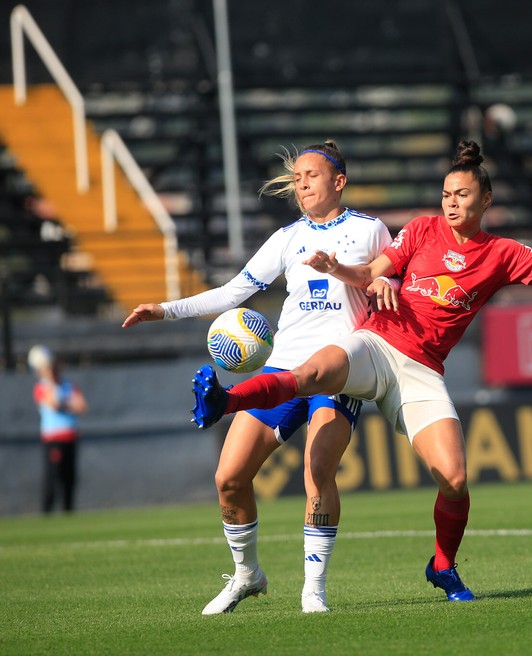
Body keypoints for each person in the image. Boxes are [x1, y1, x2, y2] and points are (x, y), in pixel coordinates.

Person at [190, 140, 532, 603]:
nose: (451, 203)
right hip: (375, 344)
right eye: (446, 194)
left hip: (421, 371)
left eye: (462, 195)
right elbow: (371, 274)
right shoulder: (422, 230)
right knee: (312, 371)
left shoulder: (503, 253)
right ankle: (228, 400)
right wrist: (344, 268)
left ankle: (443, 565)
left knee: (455, 479)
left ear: (485, 200)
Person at [123, 140, 398, 614]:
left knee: (318, 473)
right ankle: (248, 574)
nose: (302, 183)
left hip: (337, 369)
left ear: (339, 181)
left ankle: (313, 588)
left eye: (312, 175)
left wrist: (382, 282)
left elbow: (392, 276)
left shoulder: (370, 230)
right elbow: (233, 293)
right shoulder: (287, 237)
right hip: (282, 368)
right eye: (297, 178)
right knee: (229, 478)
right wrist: (165, 310)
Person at [29, 344, 88, 514]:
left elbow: (82, 406)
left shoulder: (69, 385)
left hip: (70, 436)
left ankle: (68, 512)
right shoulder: (42, 387)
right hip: (53, 439)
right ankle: (47, 513)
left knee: (69, 478)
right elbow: (54, 404)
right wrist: (68, 403)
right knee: (52, 478)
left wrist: (67, 404)